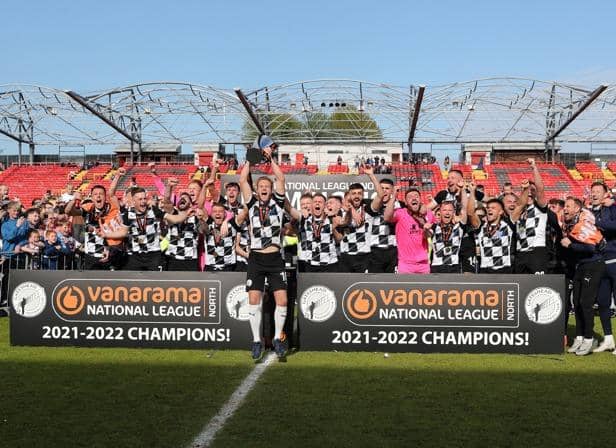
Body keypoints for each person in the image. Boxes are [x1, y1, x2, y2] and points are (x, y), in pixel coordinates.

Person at [239, 139, 289, 362]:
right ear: (257, 191)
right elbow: (242, 180)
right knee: (253, 300)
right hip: (256, 258)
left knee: (283, 301)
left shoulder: (278, 203)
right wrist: (251, 160)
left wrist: (271, 159)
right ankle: (257, 341)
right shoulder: (250, 204)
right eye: (261, 188)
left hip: (275, 257)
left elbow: (281, 178)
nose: (265, 190)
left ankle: (278, 338)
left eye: (267, 188)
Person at [561, 196, 606, 356]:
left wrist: (571, 245)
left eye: (568, 206)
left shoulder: (583, 223)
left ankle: (589, 338)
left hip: (593, 265)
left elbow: (591, 248)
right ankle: (579, 337)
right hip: (581, 266)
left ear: (577, 209)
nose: (564, 209)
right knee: (577, 303)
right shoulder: (572, 223)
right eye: (564, 206)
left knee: (585, 303)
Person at [468, 181, 528, 274]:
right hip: (485, 270)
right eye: (488, 208)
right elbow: (470, 213)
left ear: (500, 212)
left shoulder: (508, 224)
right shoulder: (481, 226)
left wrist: (525, 189)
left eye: (493, 208)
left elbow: (521, 205)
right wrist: (472, 192)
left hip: (505, 270)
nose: (489, 210)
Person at [588, 181, 616, 352]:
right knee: (603, 302)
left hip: (614, 259)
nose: (595, 194)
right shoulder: (589, 212)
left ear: (606, 193)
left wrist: (596, 224)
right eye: (592, 191)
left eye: (598, 191)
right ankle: (608, 339)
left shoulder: (612, 208)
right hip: (598, 261)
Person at [384, 187, 435, 274]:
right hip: (405, 264)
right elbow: (387, 217)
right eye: (410, 197)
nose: (414, 198)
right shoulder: (401, 213)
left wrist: (426, 230)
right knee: (404, 288)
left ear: (420, 200)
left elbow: (429, 236)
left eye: (416, 196)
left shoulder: (428, 214)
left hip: (424, 264)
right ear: (406, 202)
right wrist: (394, 197)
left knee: (425, 288)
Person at [513, 159, 550, 274]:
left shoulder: (540, 207)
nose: (529, 192)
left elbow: (540, 189)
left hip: (536, 252)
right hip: (520, 253)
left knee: (536, 287)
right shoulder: (518, 211)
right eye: (527, 190)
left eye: (532, 190)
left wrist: (534, 167)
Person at [287, 193, 340, 272]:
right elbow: (289, 223)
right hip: (307, 262)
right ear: (312, 205)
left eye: (320, 202)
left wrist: (334, 226)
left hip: (329, 264)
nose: (317, 203)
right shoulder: (303, 219)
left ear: (325, 205)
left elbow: (339, 239)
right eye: (315, 202)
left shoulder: (331, 218)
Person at [366, 172, 399, 273]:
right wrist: (371, 175)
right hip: (375, 250)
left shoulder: (400, 205)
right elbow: (379, 197)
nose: (384, 191)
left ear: (392, 191)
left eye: (387, 188)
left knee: (391, 284)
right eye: (381, 188)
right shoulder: (371, 204)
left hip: (393, 250)